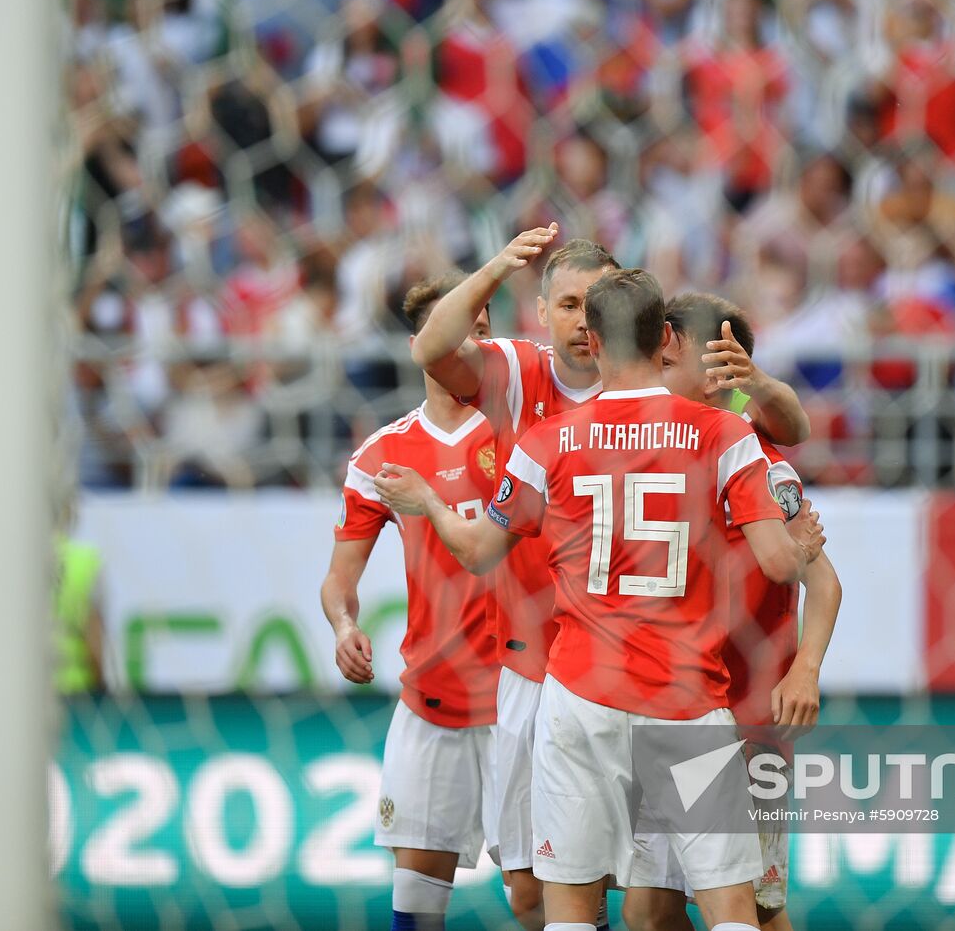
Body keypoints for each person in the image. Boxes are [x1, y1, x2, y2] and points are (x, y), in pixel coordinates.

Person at [377, 268, 825, 931]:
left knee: (573, 907)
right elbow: (780, 563)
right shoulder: (721, 436)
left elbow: (477, 552)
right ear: (666, 337)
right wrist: (805, 546)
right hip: (686, 697)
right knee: (733, 909)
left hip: (580, 697)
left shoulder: (546, 442)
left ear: (590, 336)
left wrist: (429, 504)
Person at [623, 292, 843, 931]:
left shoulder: (762, 463)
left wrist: (804, 672)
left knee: (754, 909)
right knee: (650, 910)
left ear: (721, 364)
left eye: (668, 358)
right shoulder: (645, 456)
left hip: (749, 720)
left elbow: (825, 584)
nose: (654, 369)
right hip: (666, 711)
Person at [319, 273, 500, 931]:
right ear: (423, 345)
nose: (475, 344)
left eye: (483, 330)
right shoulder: (383, 455)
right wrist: (344, 625)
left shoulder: (523, 435)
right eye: (459, 332)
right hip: (434, 698)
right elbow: (339, 580)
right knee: (419, 904)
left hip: (524, 695)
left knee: (544, 899)